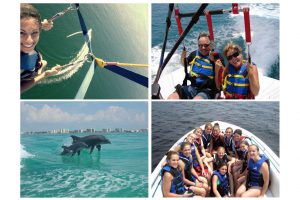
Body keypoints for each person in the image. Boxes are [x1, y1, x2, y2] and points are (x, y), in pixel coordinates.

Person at [21, 3, 61, 93]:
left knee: (43, 62)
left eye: (34, 32)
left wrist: (40, 25)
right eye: (21, 32)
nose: (29, 41)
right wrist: (45, 75)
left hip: (32, 61)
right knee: (43, 64)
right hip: (26, 74)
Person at [168, 32, 222, 99]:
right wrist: (183, 56)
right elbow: (184, 64)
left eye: (206, 45)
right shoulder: (194, 54)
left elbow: (222, 77)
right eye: (200, 45)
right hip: (192, 87)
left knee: (196, 101)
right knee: (172, 97)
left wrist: (215, 63)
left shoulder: (216, 56)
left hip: (206, 91)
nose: (203, 48)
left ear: (210, 44)